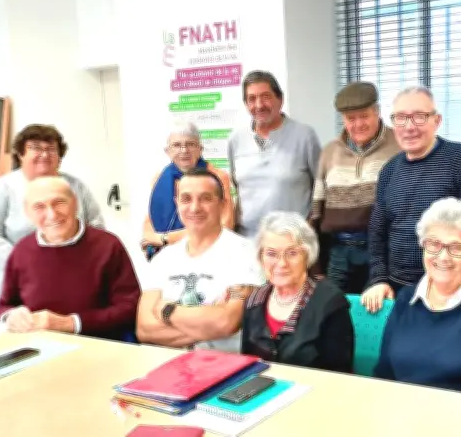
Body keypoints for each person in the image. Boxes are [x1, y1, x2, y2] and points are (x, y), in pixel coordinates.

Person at [365, 198, 461, 397]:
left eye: (457, 247)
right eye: (434, 244)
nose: (443, 257)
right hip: (402, 409)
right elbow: (384, 373)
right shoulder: (406, 298)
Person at [365, 86, 461, 299]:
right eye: (401, 118)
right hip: (397, 289)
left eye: (419, 117)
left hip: (450, 289)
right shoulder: (389, 170)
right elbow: (377, 231)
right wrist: (378, 279)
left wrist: (457, 280)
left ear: (437, 120)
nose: (409, 126)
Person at [0, 124, 103, 318]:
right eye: (35, 148)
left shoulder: (75, 186)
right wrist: (26, 262)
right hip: (12, 293)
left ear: (59, 156)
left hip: (70, 287)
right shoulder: (2, 188)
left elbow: (96, 227)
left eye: (51, 149)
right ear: (21, 154)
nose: (44, 154)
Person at [136, 168, 265, 352]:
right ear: (177, 204)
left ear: (222, 204)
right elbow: (144, 330)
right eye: (186, 199)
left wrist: (167, 310)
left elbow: (227, 322)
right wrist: (210, 322)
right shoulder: (163, 259)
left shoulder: (246, 253)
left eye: (205, 198)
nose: (195, 208)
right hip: (171, 364)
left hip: (226, 364)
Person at [0, 177, 139, 340]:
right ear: (28, 213)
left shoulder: (108, 245)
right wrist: (11, 316)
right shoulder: (22, 250)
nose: (52, 215)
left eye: (59, 203)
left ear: (75, 203)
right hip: (37, 345)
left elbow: (130, 307)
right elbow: (5, 305)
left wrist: (71, 323)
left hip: (99, 345)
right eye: (39, 207)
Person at [309, 81, 400, 293]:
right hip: (339, 251)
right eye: (351, 118)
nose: (358, 124)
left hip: (383, 251)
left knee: (376, 309)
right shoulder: (329, 152)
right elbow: (317, 209)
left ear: (377, 111)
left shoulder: (399, 146)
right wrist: (316, 264)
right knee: (332, 307)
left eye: (364, 116)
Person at [241, 211, 354, 373]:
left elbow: (340, 375)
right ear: (260, 257)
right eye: (271, 254)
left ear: (307, 256)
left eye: (292, 253)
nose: (282, 263)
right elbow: (248, 366)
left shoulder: (331, 303)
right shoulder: (254, 301)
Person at [227, 71, 321, 237]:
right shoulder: (236, 139)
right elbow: (236, 188)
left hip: (293, 240)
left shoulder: (305, 136)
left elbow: (321, 188)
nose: (259, 105)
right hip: (248, 239)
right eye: (251, 99)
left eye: (265, 97)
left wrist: (309, 227)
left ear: (280, 99)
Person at [142, 120, 234, 259]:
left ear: (200, 149)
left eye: (190, 144)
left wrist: (165, 239)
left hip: (207, 252)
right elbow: (149, 224)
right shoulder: (159, 179)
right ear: (167, 151)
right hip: (166, 256)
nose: (184, 150)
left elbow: (225, 226)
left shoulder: (217, 177)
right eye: (177, 145)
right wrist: (152, 239)